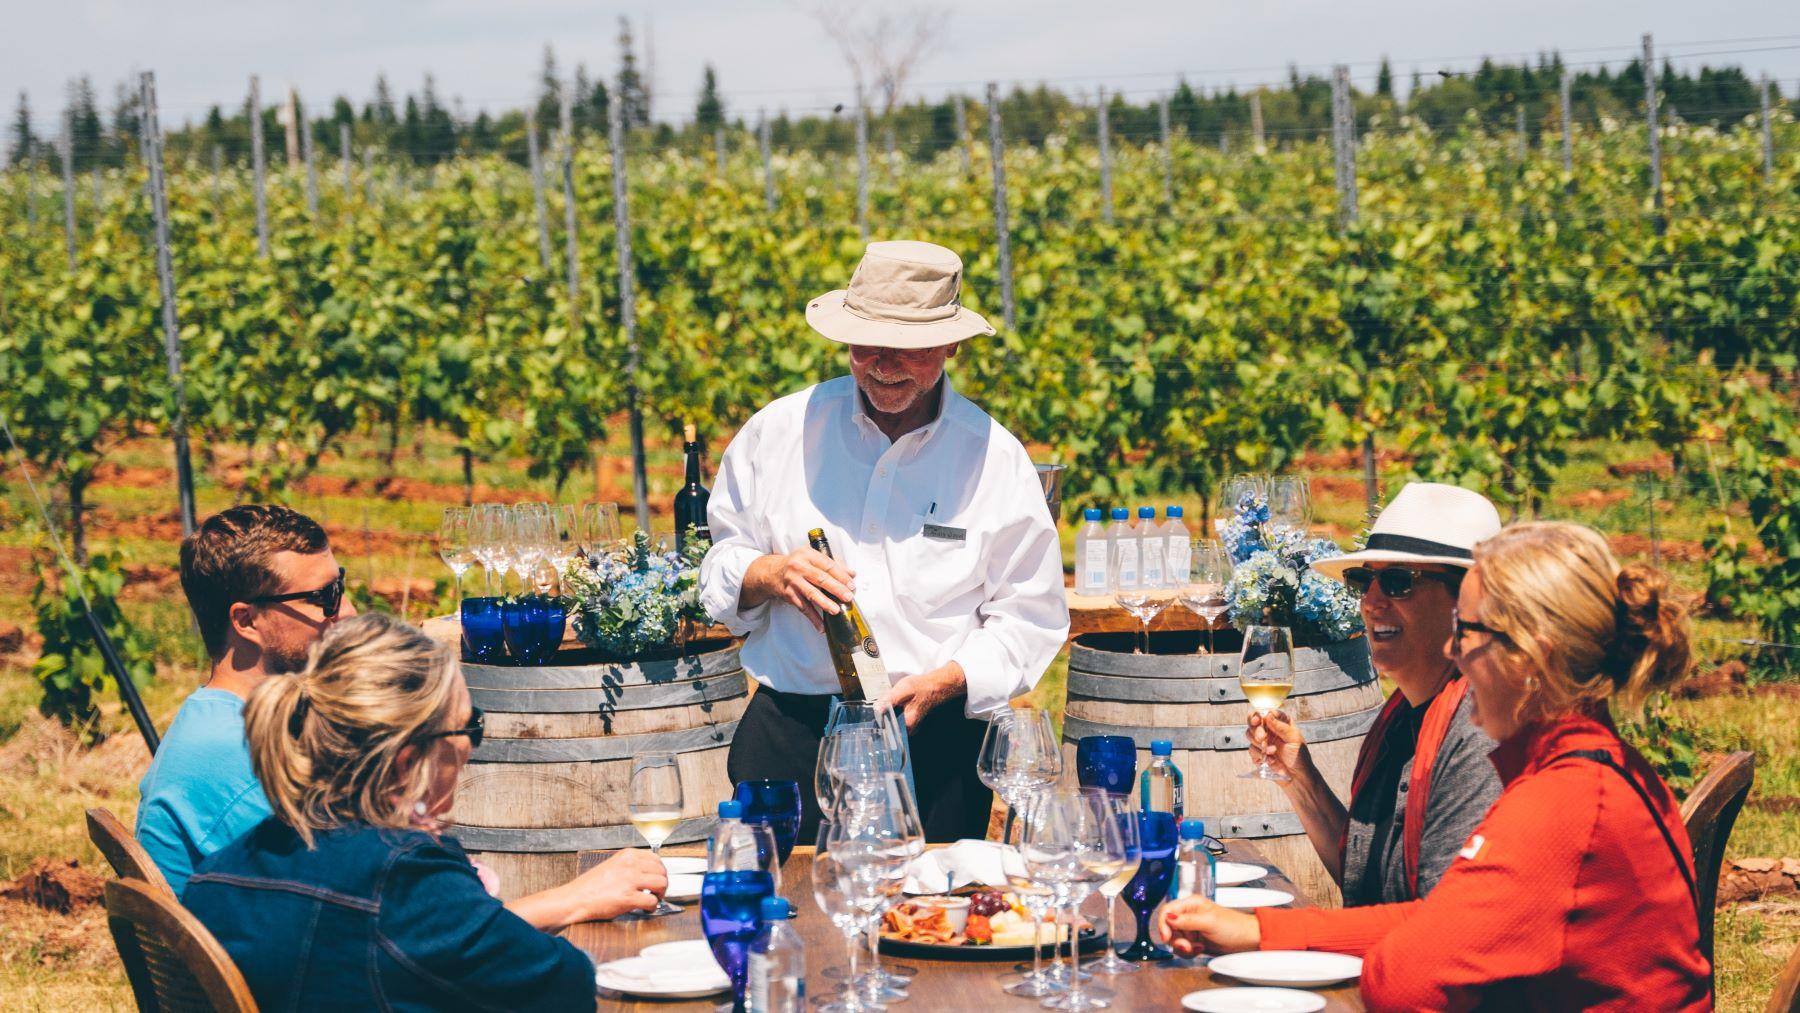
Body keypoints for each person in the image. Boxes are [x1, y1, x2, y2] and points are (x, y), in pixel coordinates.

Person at [1161, 521, 1712, 1011]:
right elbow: (1443, 918)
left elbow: (1406, 981)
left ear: (1531, 657)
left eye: (1468, 634)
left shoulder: (1563, 802)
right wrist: (1261, 931)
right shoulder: (1588, 766)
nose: (1455, 655)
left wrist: (1387, 948)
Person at [700, 240, 1069, 841]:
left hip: (934, 745)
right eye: (866, 343)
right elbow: (719, 563)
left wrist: (947, 680)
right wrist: (769, 573)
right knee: (783, 922)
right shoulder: (778, 432)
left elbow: (1029, 619)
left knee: (929, 926)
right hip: (789, 738)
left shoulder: (994, 459)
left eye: (911, 348)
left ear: (951, 344)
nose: (884, 363)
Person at [185, 612, 666, 1012]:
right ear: (409, 760)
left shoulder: (217, 875)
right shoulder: (404, 876)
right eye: (467, 729)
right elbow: (563, 987)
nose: (470, 752)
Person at [1248, 482, 1504, 904]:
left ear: (1469, 599)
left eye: (1398, 582)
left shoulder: (1478, 732)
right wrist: (1299, 779)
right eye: (1362, 579)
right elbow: (1365, 883)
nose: (1370, 601)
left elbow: (1435, 921)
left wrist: (1268, 933)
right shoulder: (1403, 716)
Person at [137, 504, 357, 894]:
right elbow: (359, 882)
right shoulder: (240, 754)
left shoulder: (220, 719)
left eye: (339, 586)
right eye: (325, 597)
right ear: (246, 621)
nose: (348, 612)